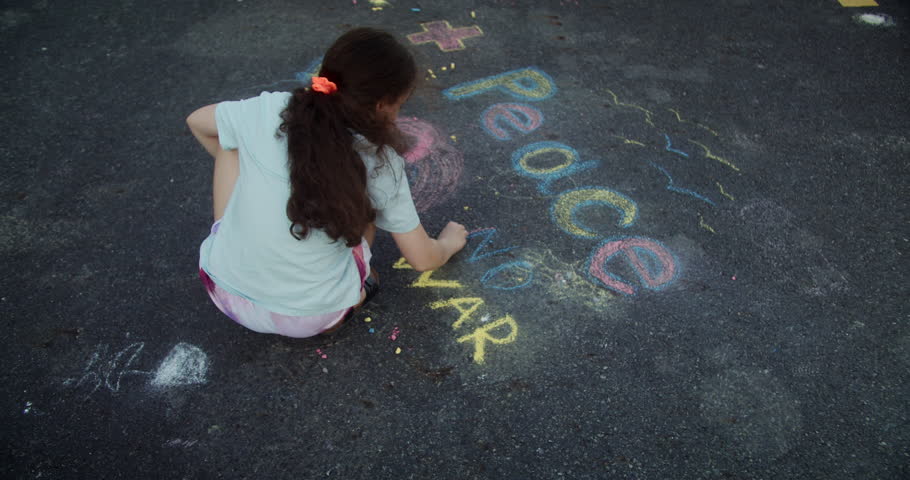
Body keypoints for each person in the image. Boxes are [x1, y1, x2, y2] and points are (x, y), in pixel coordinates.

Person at [186, 28, 468, 338]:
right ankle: (358, 289)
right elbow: (422, 258)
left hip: (223, 287)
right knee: (363, 209)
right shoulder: (380, 161)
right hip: (310, 318)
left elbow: (197, 122)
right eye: (399, 105)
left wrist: (248, 176)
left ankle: (235, 237)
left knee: (233, 141)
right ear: (381, 106)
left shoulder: (273, 109)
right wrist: (448, 244)